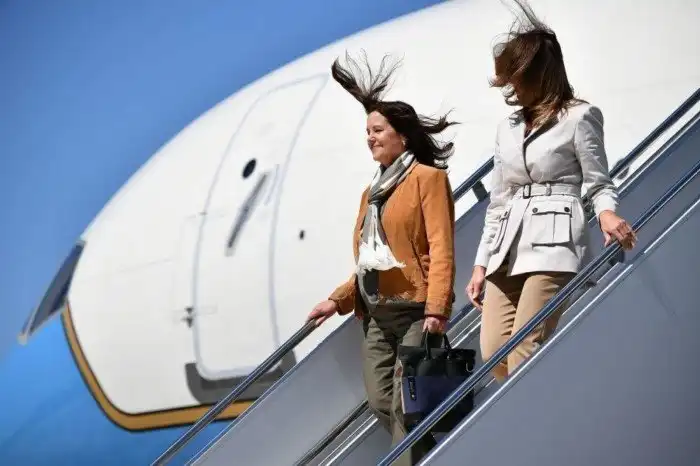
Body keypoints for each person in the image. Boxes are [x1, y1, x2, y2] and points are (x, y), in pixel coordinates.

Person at [465, 0, 637, 382]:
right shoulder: (507, 127)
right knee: (494, 354)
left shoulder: (579, 116)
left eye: (517, 76)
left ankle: (528, 416)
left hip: (555, 241)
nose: (511, 86)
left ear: (538, 73)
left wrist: (606, 213)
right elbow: (498, 201)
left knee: (524, 349)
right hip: (508, 245)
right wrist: (480, 263)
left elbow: (598, 180)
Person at [306, 52, 458, 465]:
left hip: (414, 310)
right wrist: (337, 301)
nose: (370, 138)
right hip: (376, 314)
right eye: (367, 132)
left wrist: (438, 308)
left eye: (377, 130)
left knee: (406, 406)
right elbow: (370, 262)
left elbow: (441, 247)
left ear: (402, 137)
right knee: (380, 399)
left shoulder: (428, 180)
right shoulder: (370, 193)